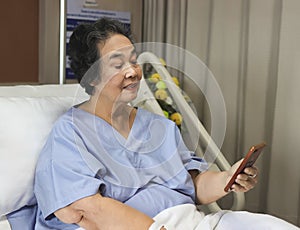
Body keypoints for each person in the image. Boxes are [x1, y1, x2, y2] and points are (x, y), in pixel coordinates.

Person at [29, 17, 298, 230]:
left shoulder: (159, 127)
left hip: (190, 221)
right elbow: (87, 210)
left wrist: (227, 178)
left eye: (133, 60)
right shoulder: (71, 134)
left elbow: (191, 186)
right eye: (117, 64)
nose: (133, 71)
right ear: (92, 77)